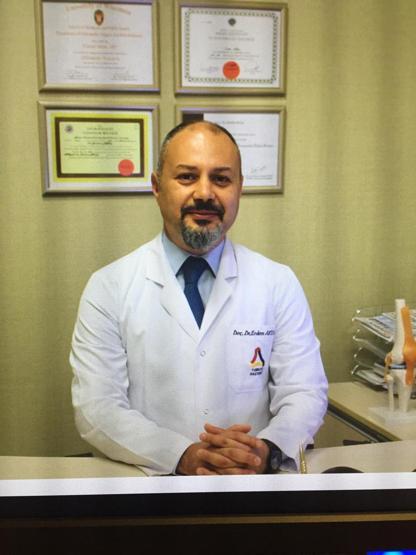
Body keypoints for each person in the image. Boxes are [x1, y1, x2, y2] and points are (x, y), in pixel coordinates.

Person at [70, 121, 328, 476]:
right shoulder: (108, 287)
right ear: (157, 186)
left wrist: (266, 450)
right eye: (187, 177)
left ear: (239, 189)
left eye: (221, 179)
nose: (205, 193)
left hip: (252, 486)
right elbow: (97, 407)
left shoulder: (277, 283)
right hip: (151, 486)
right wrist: (181, 455)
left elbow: (305, 392)